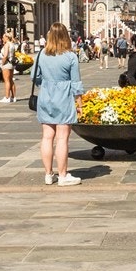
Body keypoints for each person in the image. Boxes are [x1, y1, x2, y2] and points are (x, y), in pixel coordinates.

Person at [34, 22, 85, 187]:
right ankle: (62, 175)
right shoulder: (70, 56)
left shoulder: (41, 54)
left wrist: (47, 83)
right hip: (63, 96)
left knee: (47, 137)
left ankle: (48, 174)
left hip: (45, 96)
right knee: (62, 138)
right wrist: (80, 103)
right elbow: (76, 83)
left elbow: (34, 77)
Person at [0, 32, 18, 103]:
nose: (2, 39)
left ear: (6, 37)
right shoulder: (12, 44)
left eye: (3, 37)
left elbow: (5, 55)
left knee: (6, 80)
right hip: (11, 63)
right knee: (11, 80)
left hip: (6, 64)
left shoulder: (7, 45)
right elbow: (14, 55)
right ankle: (13, 97)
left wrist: (2, 63)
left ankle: (7, 97)